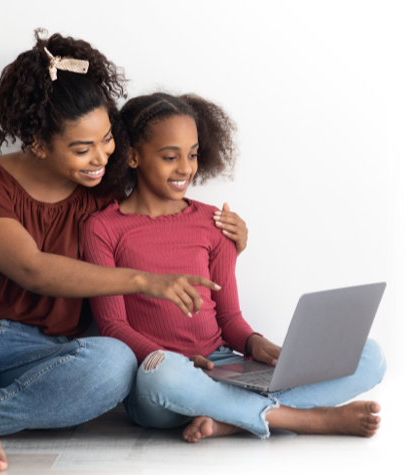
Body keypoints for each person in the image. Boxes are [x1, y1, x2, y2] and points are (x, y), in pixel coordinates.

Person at [0, 31, 248, 471]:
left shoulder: (106, 195)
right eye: (83, 148)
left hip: (42, 360)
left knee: (115, 363)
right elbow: (31, 268)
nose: (101, 158)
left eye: (107, 140)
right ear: (38, 143)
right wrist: (143, 281)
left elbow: (162, 226)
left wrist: (229, 238)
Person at [83, 92, 387, 443]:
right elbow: (113, 326)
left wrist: (254, 343)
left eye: (193, 154)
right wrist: (173, 360)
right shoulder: (103, 229)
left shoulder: (216, 222)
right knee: (162, 377)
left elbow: (228, 319)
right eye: (170, 157)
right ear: (133, 156)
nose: (186, 168)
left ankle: (231, 419)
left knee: (371, 355)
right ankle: (305, 419)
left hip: (225, 366)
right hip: (161, 375)